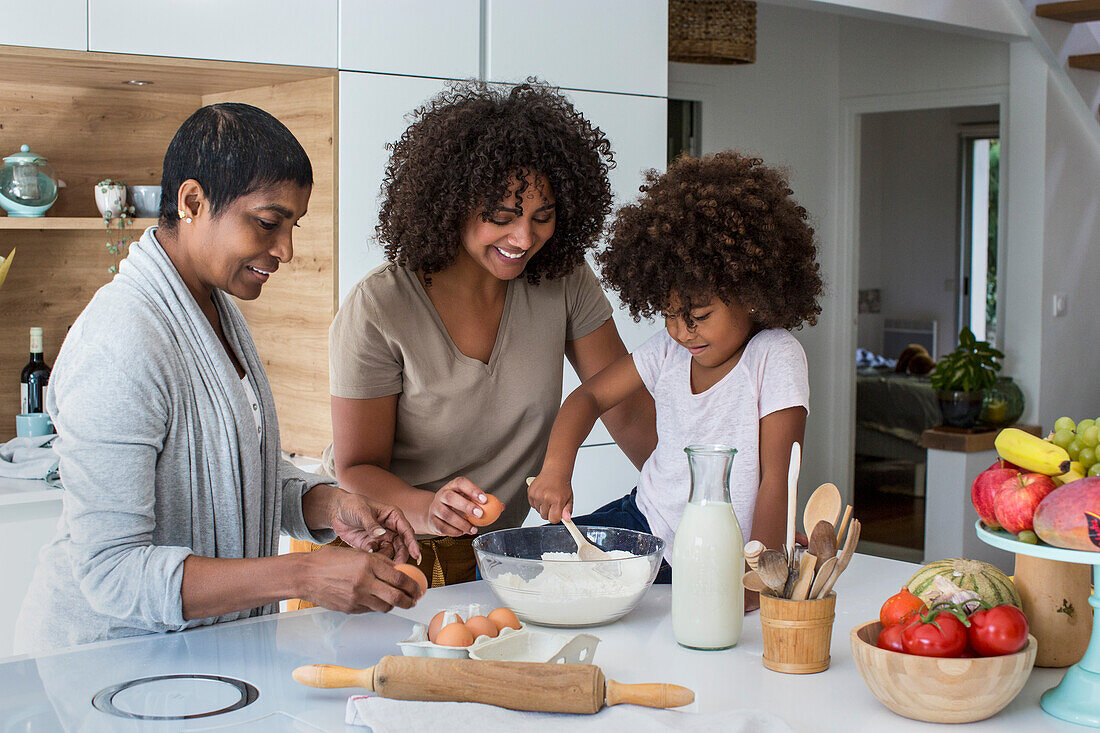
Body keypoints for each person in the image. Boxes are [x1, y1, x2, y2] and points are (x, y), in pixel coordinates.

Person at [14, 103, 423, 655]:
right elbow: (112, 572)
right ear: (192, 202)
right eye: (267, 222)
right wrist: (302, 577)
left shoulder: (212, 310)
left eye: (292, 227)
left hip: (197, 660)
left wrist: (331, 506)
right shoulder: (121, 340)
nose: (286, 251)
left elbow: (234, 476)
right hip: (107, 664)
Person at [322, 81, 656, 587]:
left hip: (487, 558)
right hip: (377, 551)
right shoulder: (381, 306)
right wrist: (429, 508)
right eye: (501, 218)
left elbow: (626, 408)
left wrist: (701, 500)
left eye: (542, 218)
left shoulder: (562, 280)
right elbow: (355, 467)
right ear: (451, 202)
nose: (524, 239)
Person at [527, 152, 823, 605]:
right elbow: (587, 398)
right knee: (530, 569)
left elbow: (776, 478)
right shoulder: (668, 350)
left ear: (751, 295)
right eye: (669, 315)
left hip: (721, 550)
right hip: (645, 522)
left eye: (699, 316)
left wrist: (761, 571)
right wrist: (556, 469)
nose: (683, 332)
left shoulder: (774, 356)